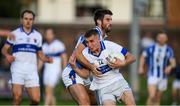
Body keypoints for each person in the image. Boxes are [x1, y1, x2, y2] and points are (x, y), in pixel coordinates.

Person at [1, 10, 53, 105]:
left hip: (31, 70)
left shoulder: (38, 36)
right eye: (26, 19)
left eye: (30, 19)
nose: (28, 21)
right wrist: (7, 55)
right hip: (17, 69)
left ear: (33, 21)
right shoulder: (14, 34)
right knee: (17, 98)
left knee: (36, 100)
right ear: (22, 20)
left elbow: (40, 54)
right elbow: (4, 49)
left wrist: (47, 59)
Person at [62, 9, 113, 105]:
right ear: (99, 21)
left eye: (111, 20)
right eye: (107, 20)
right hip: (73, 71)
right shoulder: (93, 34)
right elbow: (77, 53)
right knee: (85, 103)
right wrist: (92, 67)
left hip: (85, 74)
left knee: (95, 103)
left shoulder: (101, 37)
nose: (110, 22)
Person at [81, 29, 136, 105]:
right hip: (103, 88)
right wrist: (91, 68)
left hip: (118, 82)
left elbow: (132, 57)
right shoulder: (84, 54)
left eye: (91, 41)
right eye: (87, 42)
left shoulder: (110, 45)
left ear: (99, 39)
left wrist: (123, 63)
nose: (89, 45)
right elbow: (85, 73)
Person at [138, 31, 176, 105]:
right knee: (152, 96)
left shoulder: (169, 50)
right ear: (157, 38)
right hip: (152, 75)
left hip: (163, 77)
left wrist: (170, 67)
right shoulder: (151, 48)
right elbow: (143, 57)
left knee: (158, 98)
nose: (162, 39)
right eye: (160, 37)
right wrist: (140, 67)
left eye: (163, 37)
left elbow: (173, 63)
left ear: (166, 39)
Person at [38, 28, 67, 106]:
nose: (48, 35)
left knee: (48, 91)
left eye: (49, 33)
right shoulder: (43, 46)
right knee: (50, 93)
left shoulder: (59, 45)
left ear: (53, 35)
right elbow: (41, 60)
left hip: (56, 70)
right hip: (47, 71)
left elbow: (64, 58)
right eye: (46, 34)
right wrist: (37, 70)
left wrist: (64, 71)